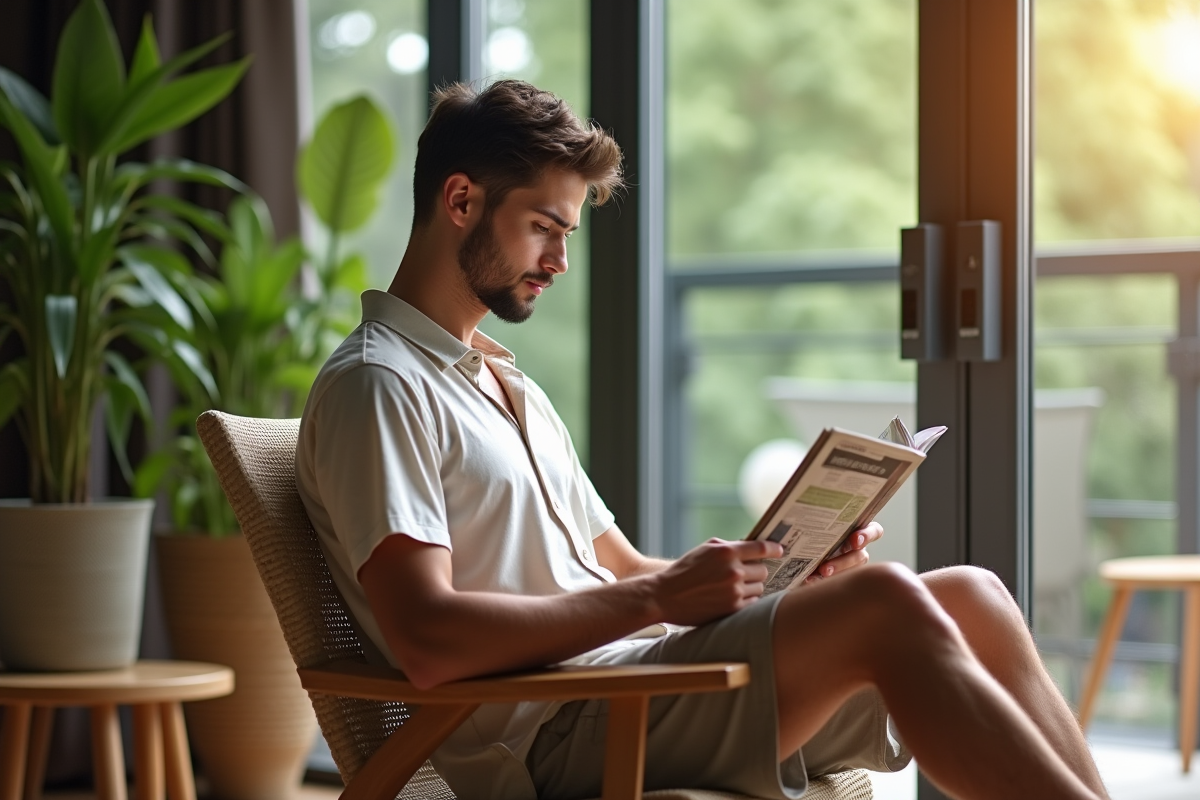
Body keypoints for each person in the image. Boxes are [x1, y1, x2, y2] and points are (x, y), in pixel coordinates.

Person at [296, 79, 1109, 800]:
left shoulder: (507, 385)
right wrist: (656, 601)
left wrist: (777, 575)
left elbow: (628, 572)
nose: (561, 261)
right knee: (887, 602)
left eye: (569, 233)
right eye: (545, 226)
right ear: (463, 200)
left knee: (973, 594)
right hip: (563, 731)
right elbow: (429, 641)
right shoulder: (381, 385)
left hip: (644, 681)